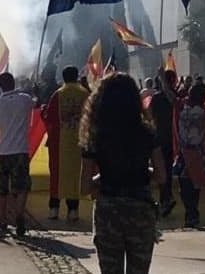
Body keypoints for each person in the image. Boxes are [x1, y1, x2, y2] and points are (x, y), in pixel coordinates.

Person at [80, 73, 167, 274]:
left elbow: (84, 187)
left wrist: (102, 177)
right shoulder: (147, 133)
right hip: (140, 209)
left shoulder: (95, 135)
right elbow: (161, 176)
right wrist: (142, 172)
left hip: (108, 211)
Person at [0, 71, 35, 236]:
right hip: (21, 151)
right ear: (14, 83)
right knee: (21, 188)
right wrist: (33, 88)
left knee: (2, 189)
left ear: (0, 85)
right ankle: (19, 216)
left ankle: (3, 221)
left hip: (3, 151)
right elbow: (36, 103)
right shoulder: (25, 99)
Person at [43, 65, 90, 221]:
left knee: (57, 174)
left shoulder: (58, 95)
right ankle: (73, 210)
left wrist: (43, 112)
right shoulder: (85, 94)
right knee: (75, 175)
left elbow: (49, 118)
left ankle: (54, 209)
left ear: (63, 77)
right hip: (79, 141)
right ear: (76, 76)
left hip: (59, 142)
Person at [175, 82, 205, 227]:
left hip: (185, 152)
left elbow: (171, 96)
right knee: (194, 185)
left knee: (185, 185)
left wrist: (162, 79)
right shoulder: (204, 110)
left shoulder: (181, 107)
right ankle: (192, 213)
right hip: (196, 152)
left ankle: (190, 212)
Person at [149, 69, 179, 216]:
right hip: (171, 138)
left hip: (159, 138)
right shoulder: (175, 96)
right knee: (165, 169)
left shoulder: (156, 98)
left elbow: (149, 116)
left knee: (159, 169)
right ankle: (166, 198)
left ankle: (165, 199)